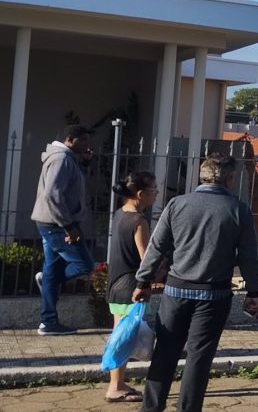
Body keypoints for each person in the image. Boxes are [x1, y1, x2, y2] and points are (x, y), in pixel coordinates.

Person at [133, 155, 258, 412]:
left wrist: (143, 281)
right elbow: (249, 256)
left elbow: (157, 248)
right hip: (214, 297)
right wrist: (254, 291)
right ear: (228, 179)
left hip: (175, 292)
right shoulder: (238, 210)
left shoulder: (177, 204)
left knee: (165, 354)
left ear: (202, 177)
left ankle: (151, 408)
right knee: (198, 359)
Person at [31, 124, 97, 336]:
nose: (87, 144)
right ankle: (50, 280)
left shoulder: (67, 158)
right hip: (58, 226)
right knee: (85, 264)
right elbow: (53, 195)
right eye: (84, 140)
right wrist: (69, 227)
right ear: (71, 139)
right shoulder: (61, 159)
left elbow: (70, 186)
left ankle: (48, 321)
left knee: (52, 268)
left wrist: (85, 163)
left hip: (53, 224)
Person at [102, 171, 157, 403]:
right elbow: (146, 258)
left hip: (116, 283)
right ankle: (114, 387)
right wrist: (152, 280)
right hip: (129, 286)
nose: (157, 193)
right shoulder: (139, 221)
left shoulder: (120, 214)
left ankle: (119, 382)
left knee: (121, 334)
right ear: (141, 194)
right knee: (122, 338)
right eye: (154, 189)